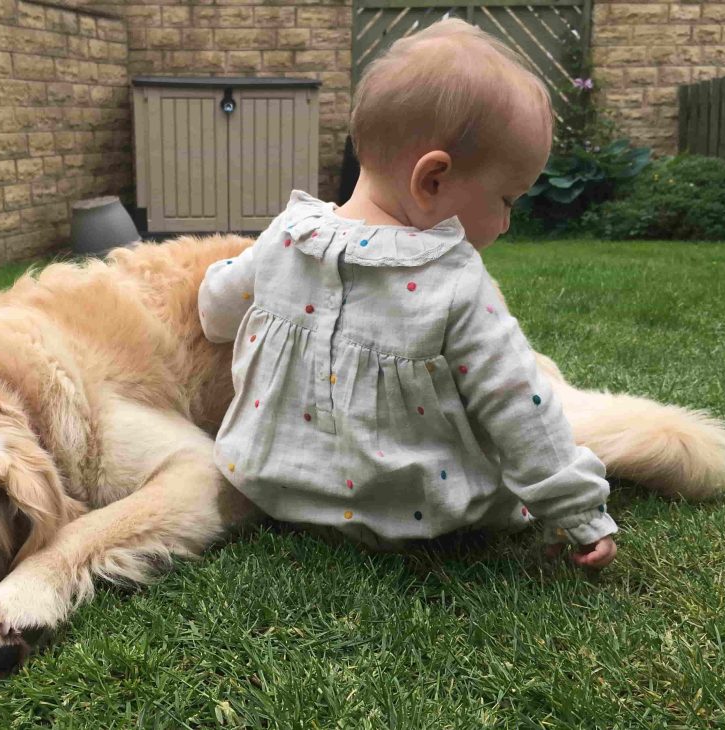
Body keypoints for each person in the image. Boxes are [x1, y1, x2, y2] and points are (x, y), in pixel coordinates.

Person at [197, 19, 618, 568]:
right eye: (508, 200)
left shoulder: (288, 234)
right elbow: (519, 404)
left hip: (276, 494)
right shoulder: (453, 279)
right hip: (415, 518)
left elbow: (216, 309)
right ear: (432, 179)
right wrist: (580, 513)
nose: (508, 222)